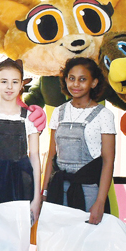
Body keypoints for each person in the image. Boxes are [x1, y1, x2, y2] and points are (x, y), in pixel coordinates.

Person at [43, 58, 116, 224]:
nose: (76, 84)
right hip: (58, 189)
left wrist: (100, 202)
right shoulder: (58, 112)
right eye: (71, 78)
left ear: (94, 82)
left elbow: (108, 161)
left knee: (87, 246)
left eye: (82, 79)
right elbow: (51, 155)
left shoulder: (104, 115)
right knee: (61, 245)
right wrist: (44, 192)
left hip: (89, 192)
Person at [0, 59, 42, 219]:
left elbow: (35, 157)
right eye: (4, 81)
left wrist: (37, 198)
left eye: (15, 82)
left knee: (19, 237)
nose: (9, 87)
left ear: (21, 85)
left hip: (23, 184)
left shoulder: (30, 118)